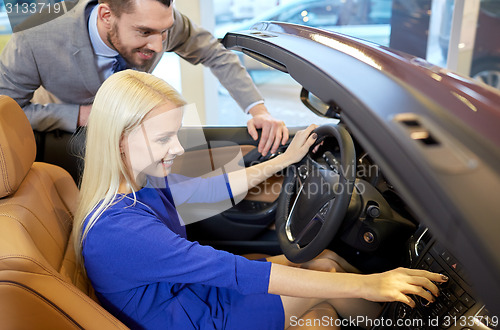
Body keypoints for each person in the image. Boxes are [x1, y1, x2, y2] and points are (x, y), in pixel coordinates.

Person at [74, 70, 448, 329]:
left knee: (326, 265)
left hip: (197, 297)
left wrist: (284, 160)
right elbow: (232, 272)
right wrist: (371, 284)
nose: (175, 149)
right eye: (162, 140)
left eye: (176, 135)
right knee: (331, 273)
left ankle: (401, 313)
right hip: (202, 320)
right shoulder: (118, 230)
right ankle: (411, 317)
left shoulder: (140, 183)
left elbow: (211, 190)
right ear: (120, 139)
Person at [0, 0, 287, 161]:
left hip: (132, 127)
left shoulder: (161, 22)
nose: (159, 46)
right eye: (145, 32)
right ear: (106, 15)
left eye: (164, 32)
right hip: (65, 133)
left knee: (191, 188)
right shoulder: (34, 37)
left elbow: (215, 53)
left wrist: (257, 109)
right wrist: (79, 115)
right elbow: (8, 110)